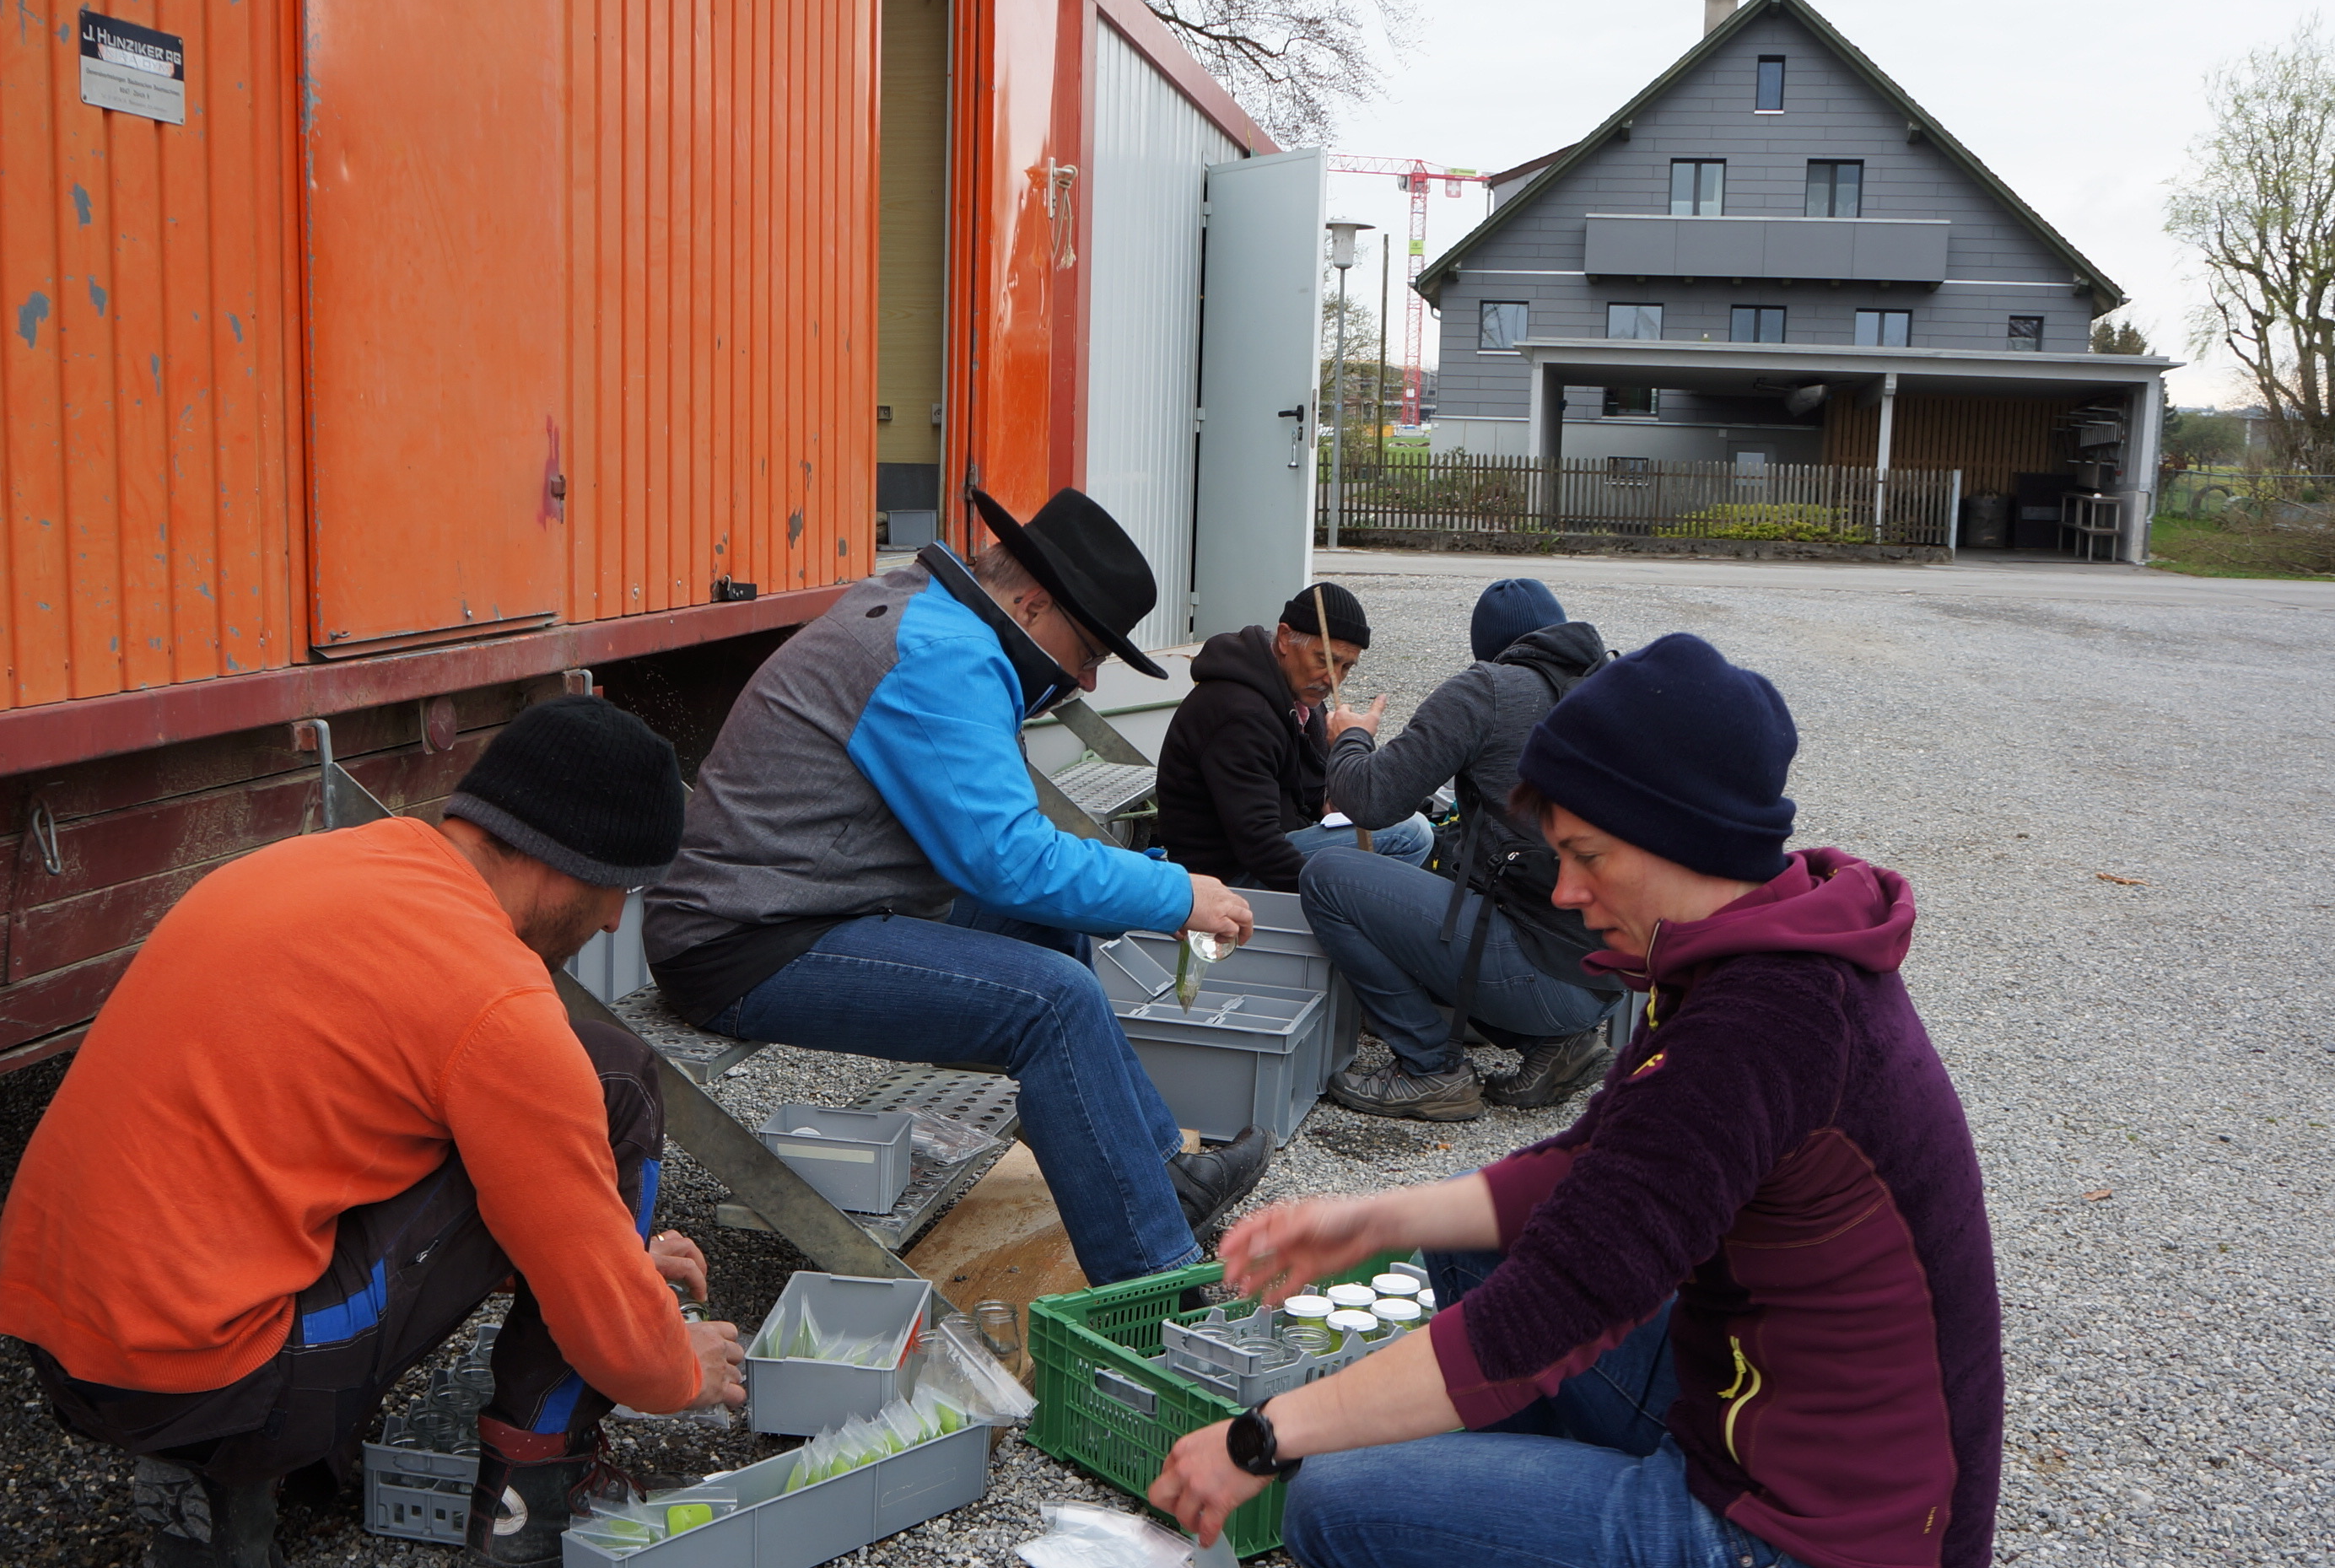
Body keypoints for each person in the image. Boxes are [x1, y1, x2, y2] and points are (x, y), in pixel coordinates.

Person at [1147, 633, 2001, 1568]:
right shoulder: (1752, 946)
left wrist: (1260, 1433)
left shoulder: (1764, 1026)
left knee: (1334, 1508)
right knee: (1463, 1257)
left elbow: (1545, 1319)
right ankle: (1568, 1535)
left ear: (1687, 840)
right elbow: (1588, 1173)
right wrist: (1371, 1218)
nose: (1563, 891)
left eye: (1588, 857)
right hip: (1773, 1433)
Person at [0, 697, 746, 1568]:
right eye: (616, 890)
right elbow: (601, 1314)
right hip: (214, 1377)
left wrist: (594, 1259)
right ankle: (530, 1499)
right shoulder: (497, 1001)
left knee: (518, 1149)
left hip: (75, 1353)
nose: (609, 921)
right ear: (569, 865)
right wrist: (669, 1359)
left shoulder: (326, 864)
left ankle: (223, 1492)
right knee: (615, 1080)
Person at [642, 488, 1269, 1285]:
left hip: (811, 895)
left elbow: (1005, 860)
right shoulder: (944, 653)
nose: (1086, 680)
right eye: (1088, 653)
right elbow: (1009, 859)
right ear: (1033, 602)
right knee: (1054, 1002)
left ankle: (1153, 1179)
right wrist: (1179, 896)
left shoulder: (929, 614)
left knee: (1050, 938)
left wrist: (1155, 885)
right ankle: (1152, 1285)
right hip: (746, 941)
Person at [1305, 576, 1623, 1122]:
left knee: (1329, 875)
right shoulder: (1612, 689)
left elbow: (1370, 799)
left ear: (1491, 650)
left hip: (1538, 975)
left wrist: (1350, 736)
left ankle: (1431, 1069)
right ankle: (1559, 1046)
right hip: (1610, 976)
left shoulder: (1490, 690)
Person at [1151, 581, 1432, 892]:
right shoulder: (1242, 715)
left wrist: (1332, 791)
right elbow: (1261, 849)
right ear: (1285, 639)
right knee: (1410, 833)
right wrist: (1340, 899)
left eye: (1347, 667)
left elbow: (1303, 786)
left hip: (1272, 844)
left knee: (1395, 819)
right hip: (1225, 876)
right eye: (1325, 660)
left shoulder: (1296, 695)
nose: (1333, 678)